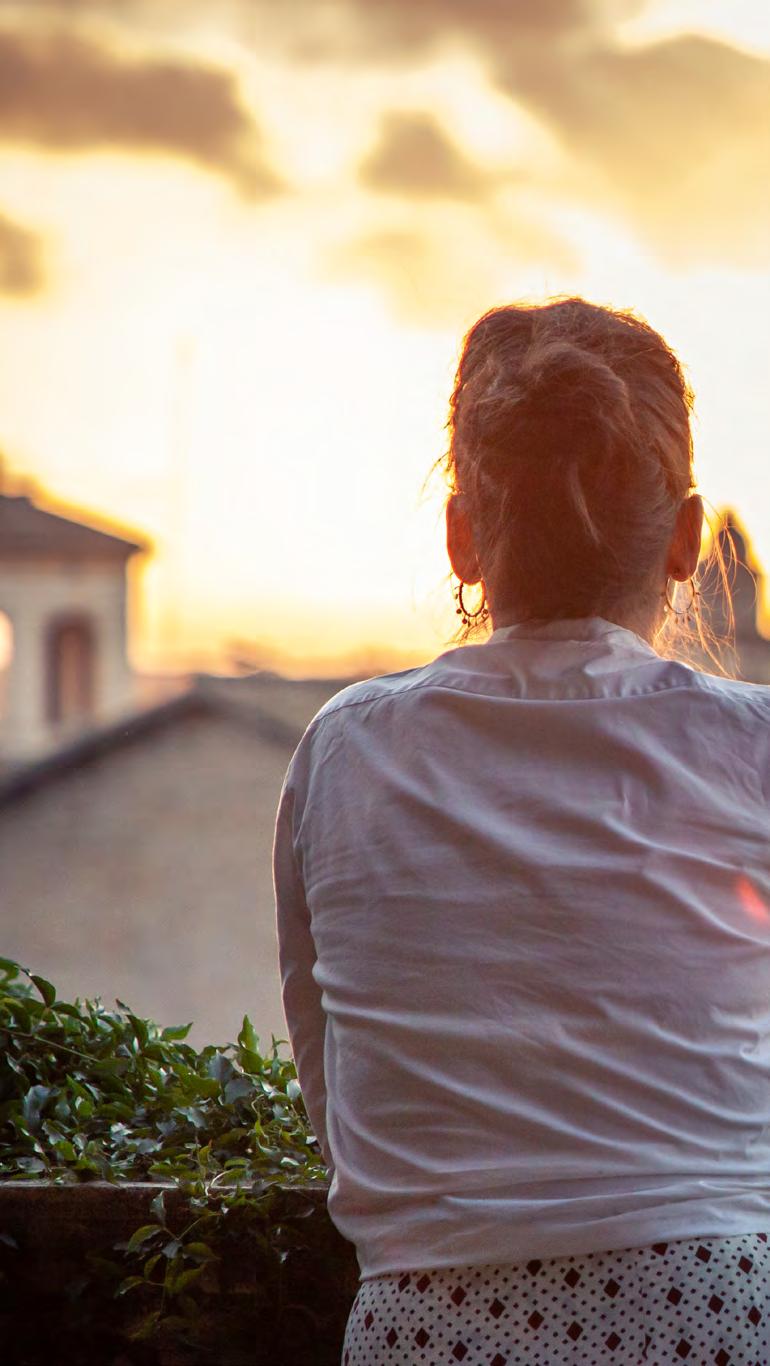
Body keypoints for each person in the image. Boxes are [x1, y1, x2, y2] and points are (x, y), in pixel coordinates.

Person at [273, 297, 770, 1365]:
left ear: (462, 535)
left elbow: (332, 1085)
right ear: (687, 539)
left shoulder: (344, 749)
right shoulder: (755, 744)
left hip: (425, 1323)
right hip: (722, 1313)